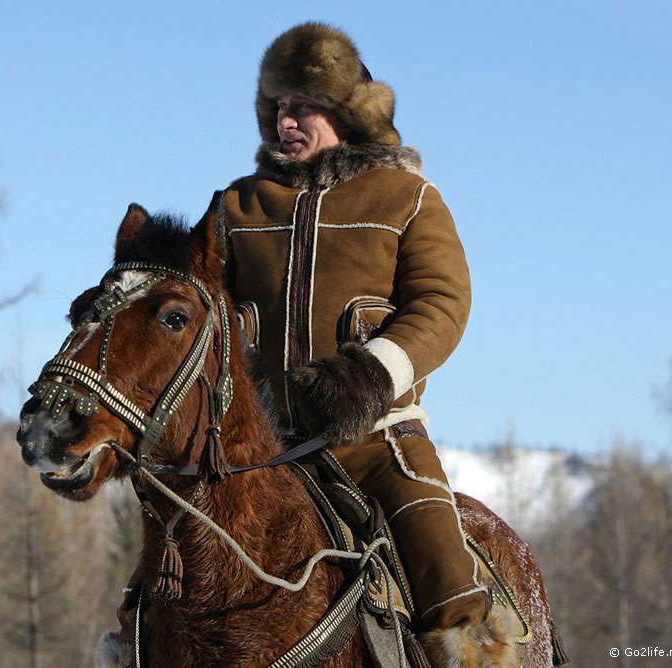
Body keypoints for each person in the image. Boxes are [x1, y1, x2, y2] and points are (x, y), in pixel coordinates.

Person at [110, 21, 515, 667]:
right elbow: (190, 300)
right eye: (275, 107)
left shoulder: (407, 197)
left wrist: (372, 375)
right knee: (158, 573)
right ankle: (127, 645)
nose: (284, 121)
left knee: (440, 566)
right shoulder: (236, 204)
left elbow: (442, 304)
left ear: (345, 112)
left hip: (375, 436)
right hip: (254, 444)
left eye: (302, 105)